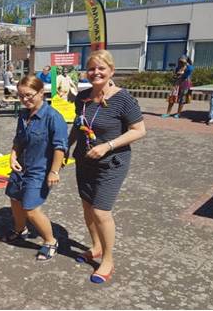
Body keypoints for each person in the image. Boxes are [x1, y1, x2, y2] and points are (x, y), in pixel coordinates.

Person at [67, 50, 146, 284]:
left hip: (112, 162)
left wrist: (107, 146)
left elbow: (139, 131)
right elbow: (78, 127)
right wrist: (65, 150)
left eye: (101, 68)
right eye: (91, 68)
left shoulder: (124, 99)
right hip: (84, 160)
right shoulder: (82, 98)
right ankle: (96, 247)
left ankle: (108, 259)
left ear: (111, 70)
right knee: (88, 209)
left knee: (101, 211)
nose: (96, 73)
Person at [2, 75, 68, 261]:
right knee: (15, 199)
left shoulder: (53, 117)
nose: (25, 100)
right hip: (21, 167)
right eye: (21, 96)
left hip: (40, 170)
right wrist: (13, 155)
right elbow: (19, 140)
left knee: (30, 208)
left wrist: (54, 171)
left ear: (41, 93)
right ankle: (19, 229)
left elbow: (60, 147)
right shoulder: (24, 115)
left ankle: (50, 241)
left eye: (29, 95)